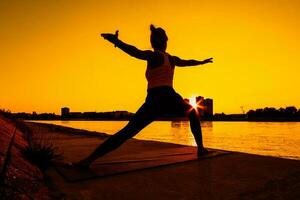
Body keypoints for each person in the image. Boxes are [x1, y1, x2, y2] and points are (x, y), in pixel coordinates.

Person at [76, 25, 213, 168]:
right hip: (170, 97)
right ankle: (201, 149)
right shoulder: (171, 59)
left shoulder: (154, 56)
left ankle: (88, 161)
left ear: (153, 43)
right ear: (165, 41)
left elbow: (134, 52)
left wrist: (116, 41)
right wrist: (202, 62)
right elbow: (187, 62)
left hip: (156, 98)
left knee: (127, 132)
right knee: (193, 113)